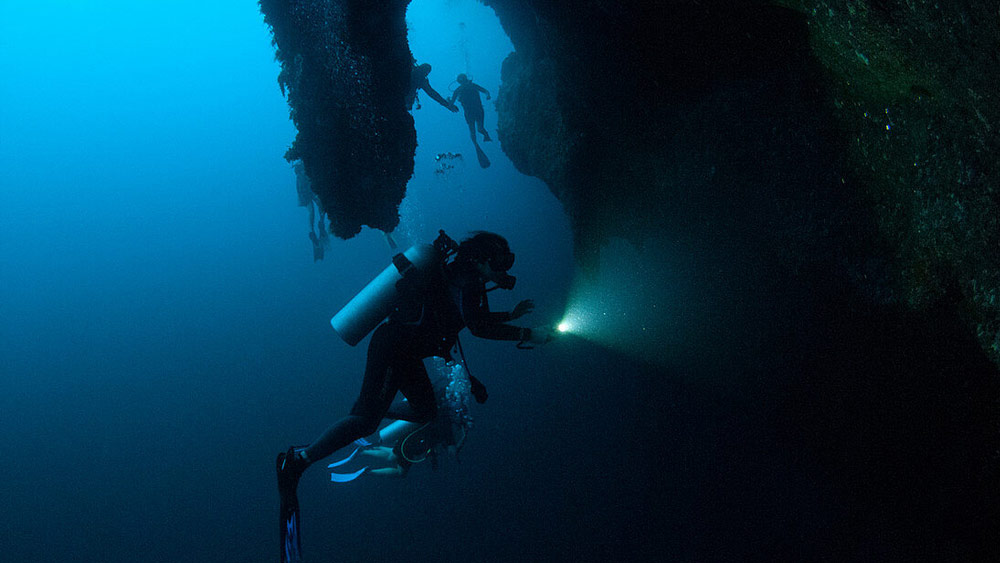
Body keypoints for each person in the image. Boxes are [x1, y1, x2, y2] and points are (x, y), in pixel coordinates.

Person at [276, 231, 554, 560]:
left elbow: (471, 319)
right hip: (394, 347)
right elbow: (478, 327)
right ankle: (297, 461)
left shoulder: (469, 280)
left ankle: (370, 407)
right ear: (481, 259)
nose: (504, 268)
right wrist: (526, 333)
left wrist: (510, 316)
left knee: (425, 411)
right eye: (500, 261)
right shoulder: (466, 279)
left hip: (405, 351)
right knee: (365, 423)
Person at [328, 358, 473, 481]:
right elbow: (452, 451)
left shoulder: (437, 411)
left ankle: (364, 451)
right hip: (413, 443)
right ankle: (367, 470)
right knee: (400, 471)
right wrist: (464, 437)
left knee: (393, 455)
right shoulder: (445, 422)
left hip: (409, 437)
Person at [292, 161, 327, 261]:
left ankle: (314, 229)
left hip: (307, 191)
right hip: (307, 191)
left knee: (313, 210)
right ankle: (316, 226)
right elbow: (302, 186)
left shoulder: (300, 173)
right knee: (316, 208)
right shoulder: (302, 172)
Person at [449, 74, 492, 143]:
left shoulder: (472, 86)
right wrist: (449, 102)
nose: (464, 83)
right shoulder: (458, 90)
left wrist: (488, 95)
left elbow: (485, 91)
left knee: (479, 129)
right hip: (470, 112)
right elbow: (452, 102)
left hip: (477, 110)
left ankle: (485, 136)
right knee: (473, 131)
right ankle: (476, 143)